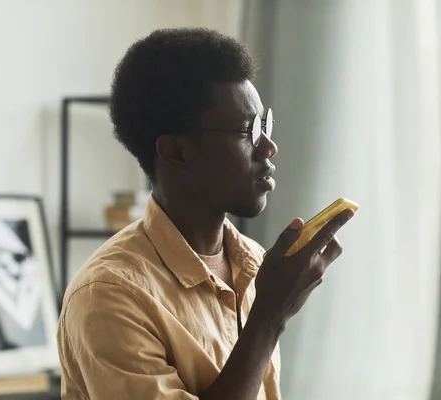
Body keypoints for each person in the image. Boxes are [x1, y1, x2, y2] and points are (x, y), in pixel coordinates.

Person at [57, 28, 355, 400]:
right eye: (249, 130)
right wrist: (269, 318)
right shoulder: (110, 296)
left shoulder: (252, 262)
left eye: (266, 125)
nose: (269, 147)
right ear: (177, 152)